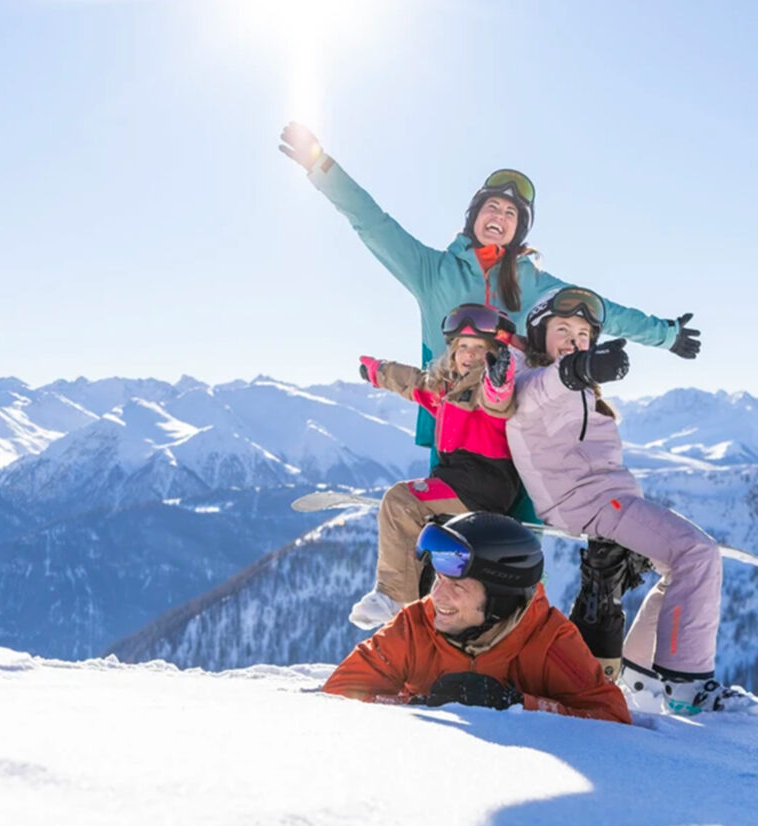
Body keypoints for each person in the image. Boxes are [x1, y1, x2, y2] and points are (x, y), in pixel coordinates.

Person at [278, 122, 701, 459]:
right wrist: (321, 167)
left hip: (518, 430)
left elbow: (602, 311)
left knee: (517, 554)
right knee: (449, 551)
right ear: (474, 217)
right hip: (453, 423)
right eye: (491, 207)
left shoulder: (534, 284)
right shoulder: (432, 272)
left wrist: (667, 335)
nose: (499, 215)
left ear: (519, 229)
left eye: (511, 213)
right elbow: (372, 222)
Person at [505, 286, 757, 714]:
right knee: (697, 553)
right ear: (537, 334)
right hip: (587, 503)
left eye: (584, 334)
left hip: (605, 499)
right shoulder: (530, 380)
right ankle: (688, 689)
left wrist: (582, 370)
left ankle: (640, 677)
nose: (573, 338)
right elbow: (548, 387)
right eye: (562, 328)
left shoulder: (573, 386)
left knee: (679, 566)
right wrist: (580, 367)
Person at [323, 512, 631, 724]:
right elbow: (340, 692)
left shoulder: (549, 640)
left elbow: (611, 718)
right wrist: (422, 706)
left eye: (456, 585)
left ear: (501, 597)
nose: (438, 597)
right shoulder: (415, 626)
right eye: (438, 579)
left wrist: (516, 705)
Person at [350, 304, 520, 630]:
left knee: (401, 500)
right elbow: (414, 383)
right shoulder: (446, 389)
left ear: (494, 353)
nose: (469, 355)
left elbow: (499, 401)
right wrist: (378, 372)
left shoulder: (487, 387)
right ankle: (418, 611)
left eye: (480, 348)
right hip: (458, 481)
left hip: (482, 483)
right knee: (425, 540)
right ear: (453, 351)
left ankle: (394, 596)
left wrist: (500, 381)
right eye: (463, 347)